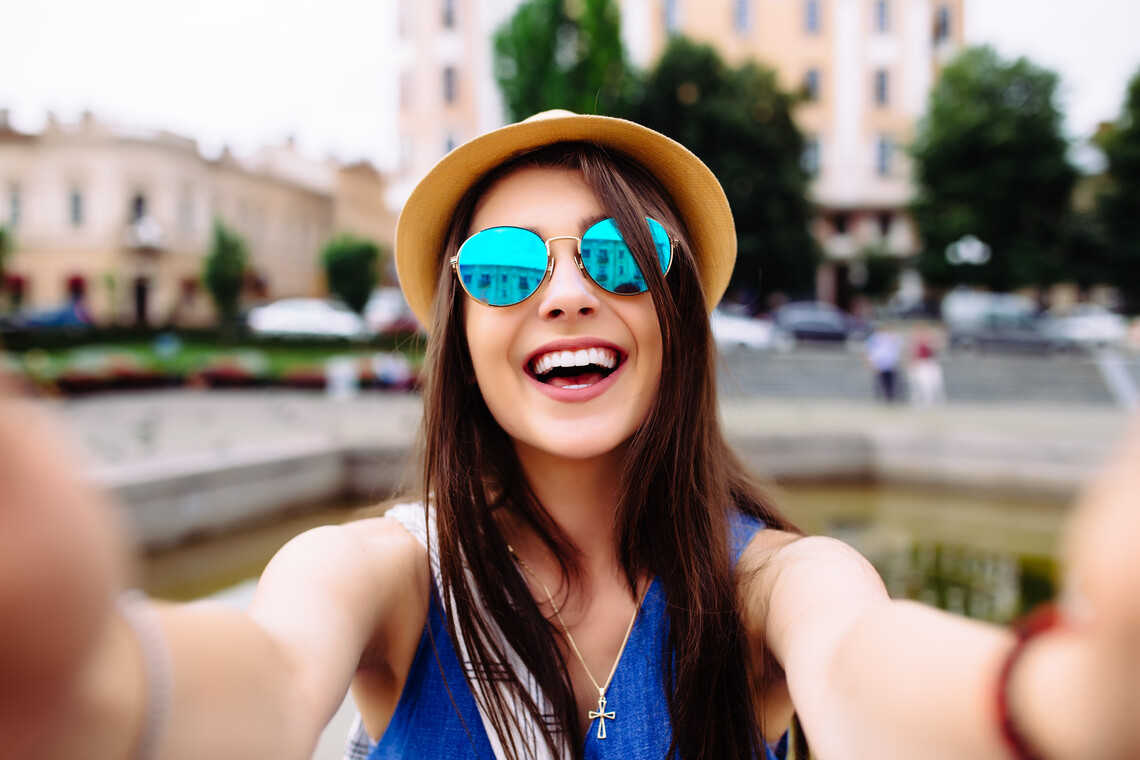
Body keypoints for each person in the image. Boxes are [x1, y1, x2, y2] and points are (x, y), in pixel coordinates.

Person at [1, 110, 1137, 760]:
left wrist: (1069, 698)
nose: (562, 293)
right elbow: (264, 673)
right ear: (460, 327)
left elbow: (862, 666)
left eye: (617, 257)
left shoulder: (780, 583)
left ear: (675, 312)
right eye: (503, 269)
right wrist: (87, 683)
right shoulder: (381, 571)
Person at [863, 324, 903, 403]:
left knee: (890, 382)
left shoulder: (892, 337)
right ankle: (880, 398)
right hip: (880, 364)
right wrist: (870, 363)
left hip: (890, 364)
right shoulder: (874, 337)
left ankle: (889, 398)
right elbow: (867, 349)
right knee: (881, 382)